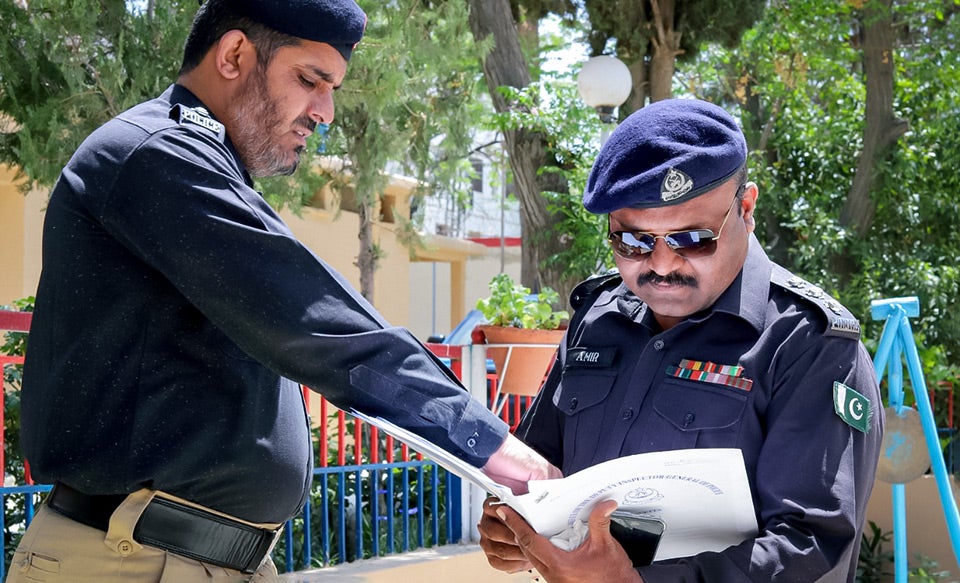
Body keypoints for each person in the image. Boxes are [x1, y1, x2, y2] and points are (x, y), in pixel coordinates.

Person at [9, 1, 558, 581]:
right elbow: (315, 325)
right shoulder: (155, 155)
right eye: (309, 81)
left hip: (204, 560)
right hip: (127, 561)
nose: (324, 112)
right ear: (235, 55)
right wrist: (496, 450)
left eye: (332, 89)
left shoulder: (202, 164)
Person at [478, 98, 883, 582]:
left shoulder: (808, 345)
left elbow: (812, 545)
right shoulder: (598, 318)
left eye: (693, 239)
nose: (662, 264)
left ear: (746, 208)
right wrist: (514, 523)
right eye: (633, 242)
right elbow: (540, 468)